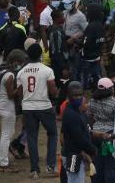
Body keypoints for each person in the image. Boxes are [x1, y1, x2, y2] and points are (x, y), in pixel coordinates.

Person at [18, 42, 58, 177]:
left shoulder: (21, 71)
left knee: (32, 137)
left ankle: (34, 170)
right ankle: (50, 167)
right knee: (52, 134)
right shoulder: (47, 70)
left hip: (28, 107)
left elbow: (19, 92)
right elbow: (53, 91)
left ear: (28, 55)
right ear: (41, 54)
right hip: (44, 106)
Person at [61, 81, 97, 183]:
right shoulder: (71, 114)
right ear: (69, 96)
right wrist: (92, 149)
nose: (78, 98)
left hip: (76, 154)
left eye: (80, 95)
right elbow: (79, 138)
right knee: (75, 180)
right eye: (75, 95)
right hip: (72, 156)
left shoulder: (77, 112)